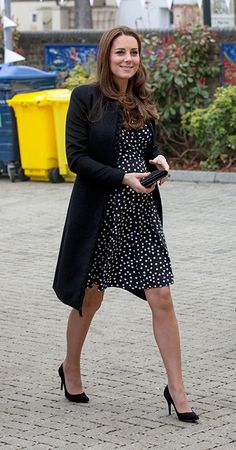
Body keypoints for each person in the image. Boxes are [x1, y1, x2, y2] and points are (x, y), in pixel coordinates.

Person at [53, 26, 199, 423]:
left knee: (162, 297)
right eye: (120, 52)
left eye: (133, 52)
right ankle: (71, 368)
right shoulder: (85, 98)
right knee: (90, 298)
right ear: (107, 56)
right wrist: (122, 177)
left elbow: (147, 150)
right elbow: (76, 158)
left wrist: (159, 163)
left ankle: (177, 389)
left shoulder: (141, 98)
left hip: (140, 215)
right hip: (101, 214)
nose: (128, 59)